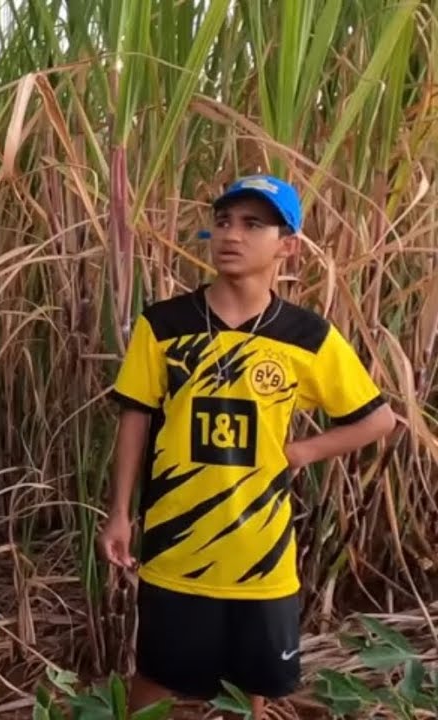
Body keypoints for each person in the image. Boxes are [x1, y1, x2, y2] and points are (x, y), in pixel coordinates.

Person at [99, 174, 396, 718]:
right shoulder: (164, 324)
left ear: (288, 246)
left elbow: (377, 420)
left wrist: (302, 452)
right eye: (223, 222)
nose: (231, 235)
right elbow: (135, 416)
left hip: (262, 557)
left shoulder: (307, 336)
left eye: (253, 225)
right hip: (174, 549)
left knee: (249, 697)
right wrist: (119, 513)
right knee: (154, 685)